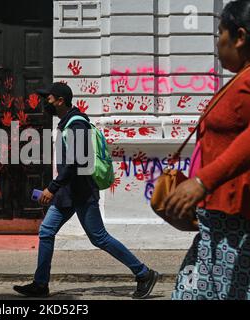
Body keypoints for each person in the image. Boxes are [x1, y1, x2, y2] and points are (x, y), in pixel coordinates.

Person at [13, 82, 159, 299]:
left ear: (60, 101)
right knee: (46, 232)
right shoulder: (67, 123)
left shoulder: (77, 124)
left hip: (81, 192)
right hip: (68, 193)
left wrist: (52, 188)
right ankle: (40, 284)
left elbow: (74, 162)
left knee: (99, 237)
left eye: (49, 99)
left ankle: (143, 273)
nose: (47, 103)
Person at [165, 0, 250, 300]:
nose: (217, 41)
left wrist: (203, 182)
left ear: (239, 36)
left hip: (236, 222)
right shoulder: (238, 80)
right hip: (214, 220)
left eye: (219, 33)